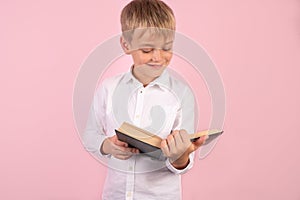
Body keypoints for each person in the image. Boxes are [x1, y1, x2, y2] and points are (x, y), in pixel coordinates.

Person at [83, 0, 207, 199]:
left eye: (166, 48)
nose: (158, 57)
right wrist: (107, 145)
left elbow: (184, 164)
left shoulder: (181, 94)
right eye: (147, 50)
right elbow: (90, 134)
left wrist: (180, 156)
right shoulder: (108, 88)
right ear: (126, 45)